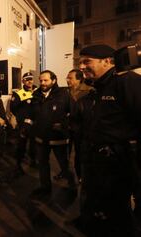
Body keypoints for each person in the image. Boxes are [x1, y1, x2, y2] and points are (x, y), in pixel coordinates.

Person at [74, 44, 141, 236]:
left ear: (108, 61)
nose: (82, 67)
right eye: (80, 63)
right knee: (100, 210)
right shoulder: (97, 88)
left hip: (121, 166)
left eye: (87, 61)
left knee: (119, 216)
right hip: (98, 164)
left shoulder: (127, 82)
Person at [30, 70, 76, 197]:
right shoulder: (36, 94)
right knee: (43, 165)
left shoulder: (63, 94)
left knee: (64, 165)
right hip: (41, 138)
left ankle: (72, 187)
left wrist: (63, 125)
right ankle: (45, 188)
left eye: (46, 80)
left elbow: (74, 113)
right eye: (41, 80)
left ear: (54, 80)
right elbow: (33, 114)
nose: (42, 83)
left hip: (58, 137)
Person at [65, 69, 93, 182]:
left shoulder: (89, 91)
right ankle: (66, 173)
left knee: (80, 153)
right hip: (67, 128)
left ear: (79, 79)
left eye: (70, 78)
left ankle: (80, 175)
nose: (67, 80)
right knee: (65, 153)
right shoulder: (65, 92)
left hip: (81, 129)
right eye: (67, 78)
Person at [10, 72, 37, 174]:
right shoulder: (18, 93)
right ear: (23, 81)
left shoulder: (37, 92)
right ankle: (18, 164)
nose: (29, 81)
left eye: (31, 79)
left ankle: (33, 160)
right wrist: (23, 119)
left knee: (34, 144)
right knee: (22, 144)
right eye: (27, 79)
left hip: (36, 123)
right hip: (24, 124)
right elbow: (14, 109)